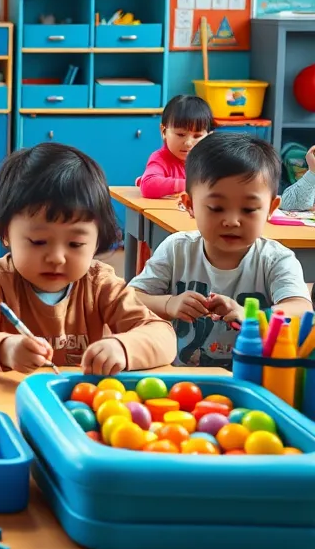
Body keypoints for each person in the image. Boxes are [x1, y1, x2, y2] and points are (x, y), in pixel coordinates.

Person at [0, 143, 175, 375]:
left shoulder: (100, 284)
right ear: (4, 232)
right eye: (38, 241)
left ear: (96, 241)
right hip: (12, 403)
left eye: (75, 244)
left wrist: (123, 348)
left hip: (75, 405)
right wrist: (5, 349)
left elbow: (163, 336)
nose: (56, 257)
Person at [130, 134, 311, 367]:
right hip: (182, 383)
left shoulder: (275, 259)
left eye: (248, 209)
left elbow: (301, 310)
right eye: (216, 208)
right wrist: (168, 305)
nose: (232, 221)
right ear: (190, 205)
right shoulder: (177, 249)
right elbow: (130, 298)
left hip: (250, 382)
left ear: (271, 209)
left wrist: (250, 315)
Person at [137, 94, 213, 198]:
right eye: (180, 134)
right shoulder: (160, 159)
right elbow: (148, 185)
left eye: (197, 136)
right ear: (163, 132)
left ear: (209, 137)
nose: (188, 143)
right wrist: (189, 185)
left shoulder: (210, 160)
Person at [280, 145, 315, 211]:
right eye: (294, 163)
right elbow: (286, 202)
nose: (299, 167)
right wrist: (312, 173)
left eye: (303, 164)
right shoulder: (278, 183)